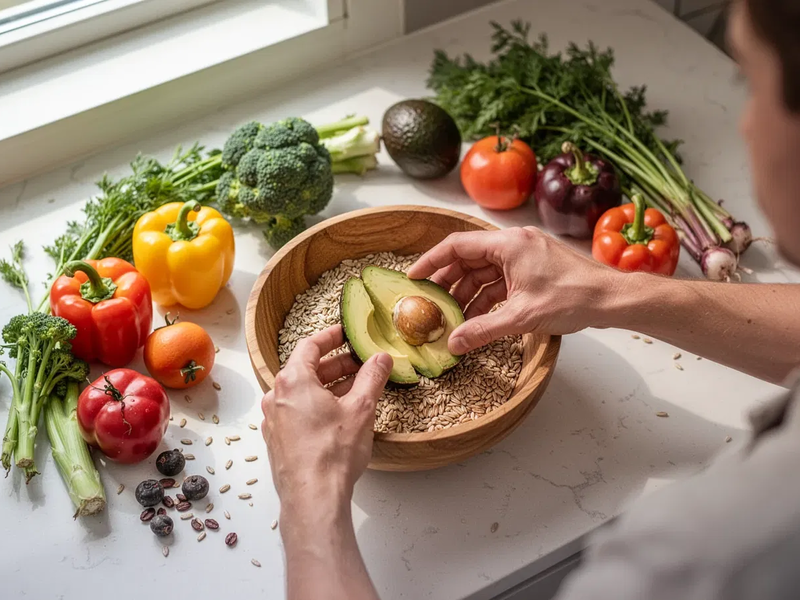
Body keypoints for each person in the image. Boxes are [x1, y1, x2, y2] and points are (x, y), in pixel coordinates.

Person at [260, 0, 800, 597]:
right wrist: (609, 289)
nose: (745, 124)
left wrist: (310, 497)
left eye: (748, 81)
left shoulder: (706, 557)